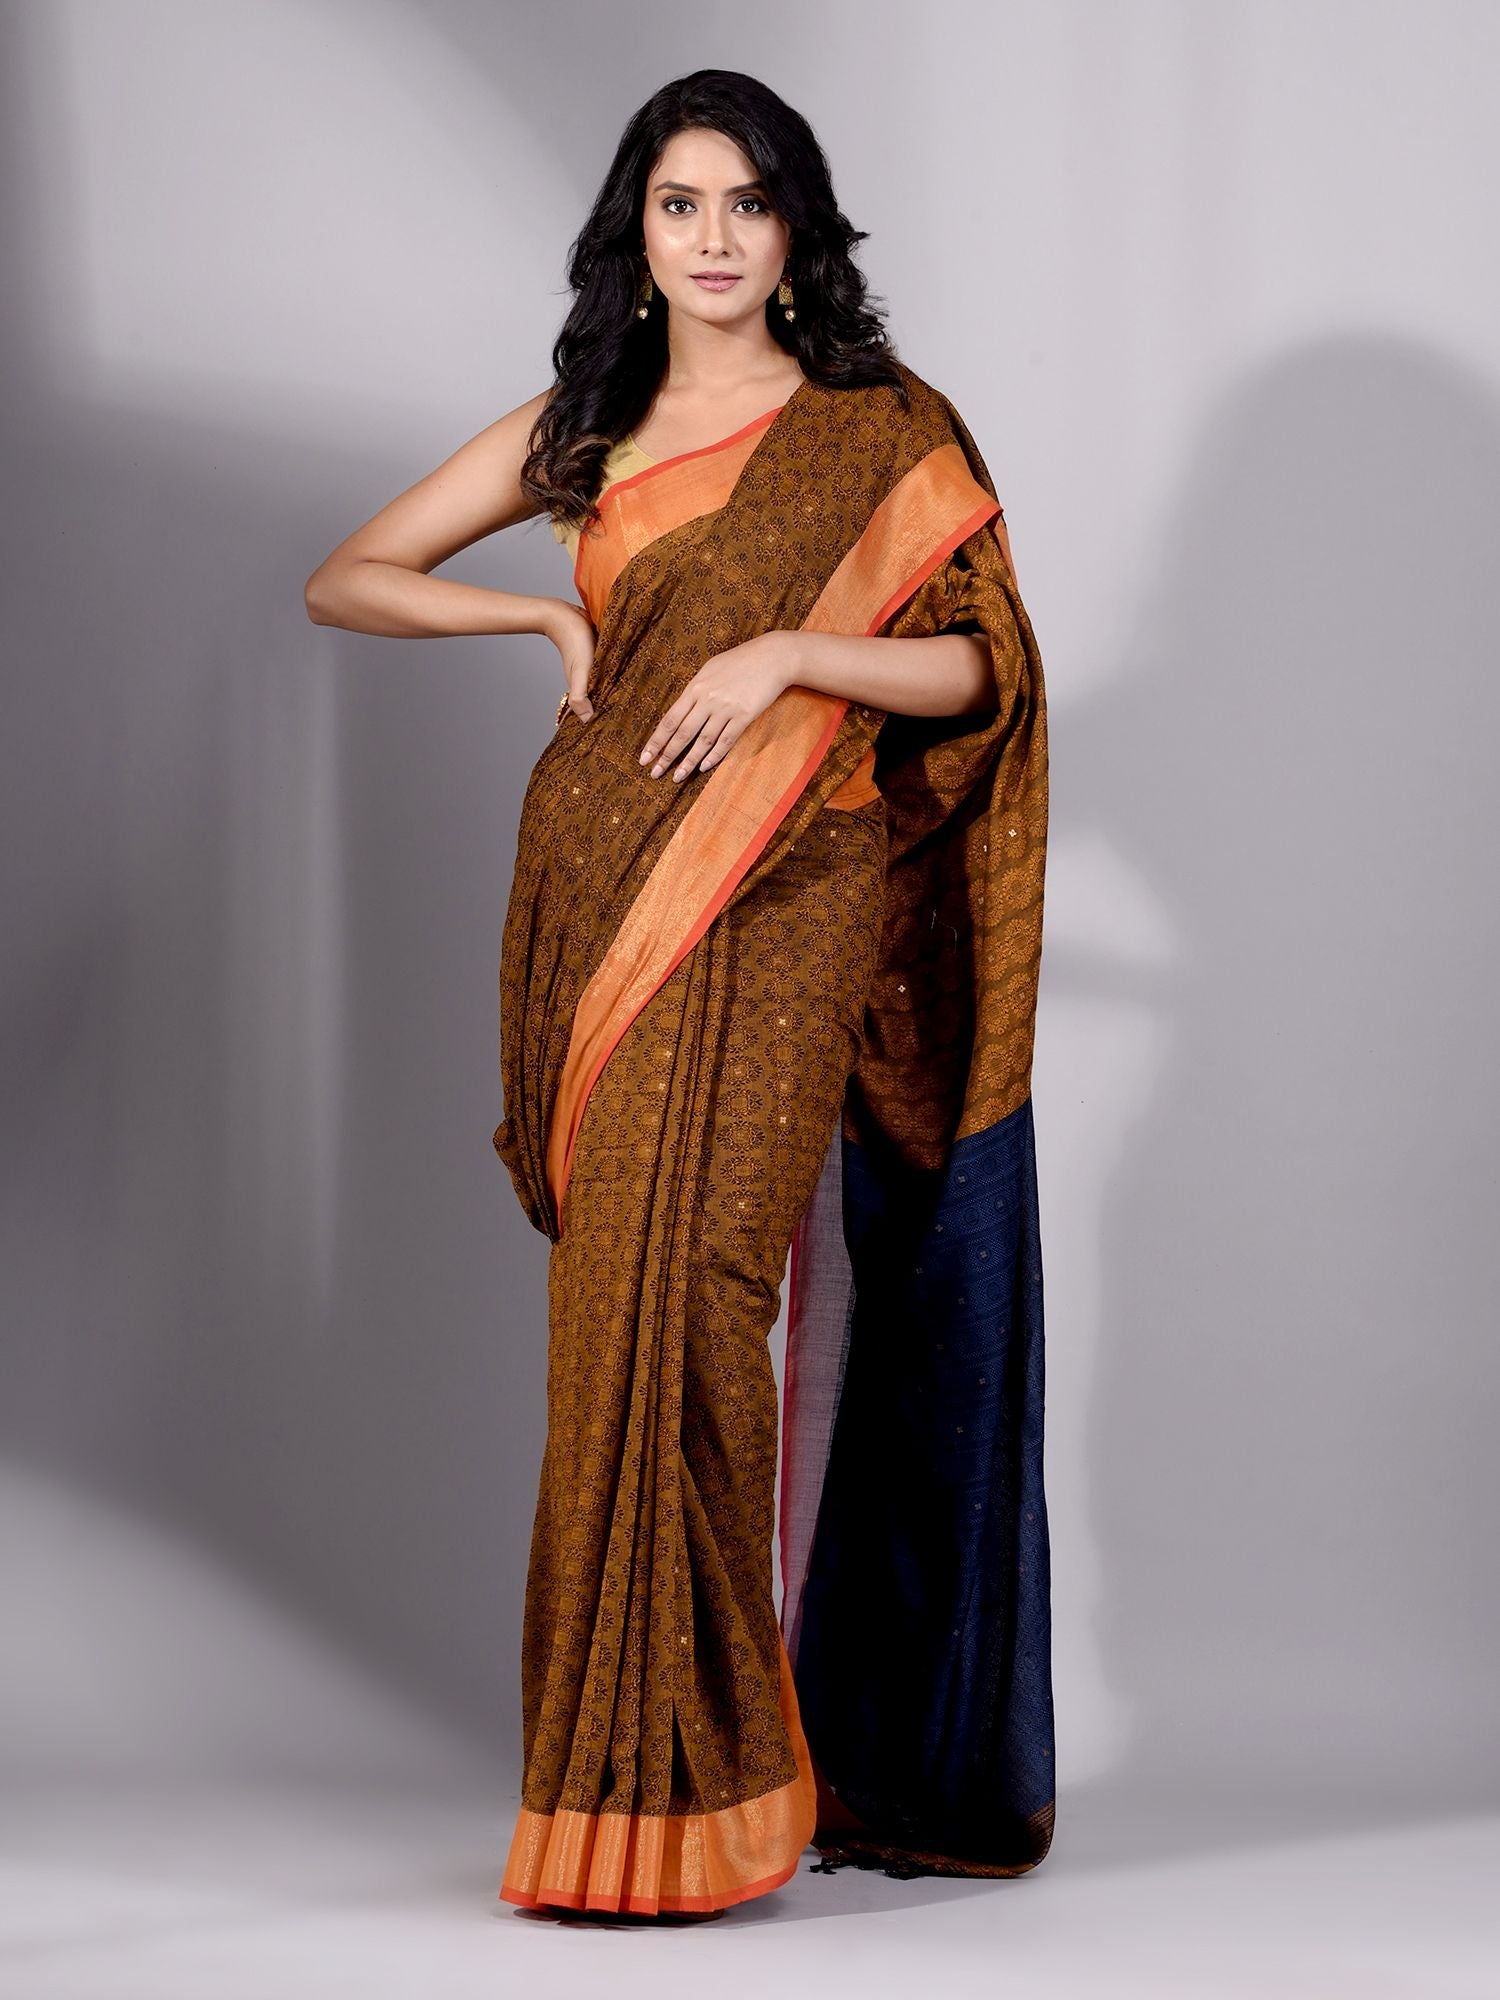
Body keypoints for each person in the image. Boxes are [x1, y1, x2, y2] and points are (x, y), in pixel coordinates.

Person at [305, 67, 1054, 1928]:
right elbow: (349, 577)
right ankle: (610, 1806)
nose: (715, 239)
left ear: (799, 231)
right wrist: (541, 616)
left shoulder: (883, 429)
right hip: (600, 897)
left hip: (798, 892)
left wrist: (799, 649)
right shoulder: (585, 425)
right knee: (610, 1327)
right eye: (679, 205)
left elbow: (985, 673)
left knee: (705, 1302)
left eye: (749, 203)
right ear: (634, 237)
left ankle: (723, 1781)